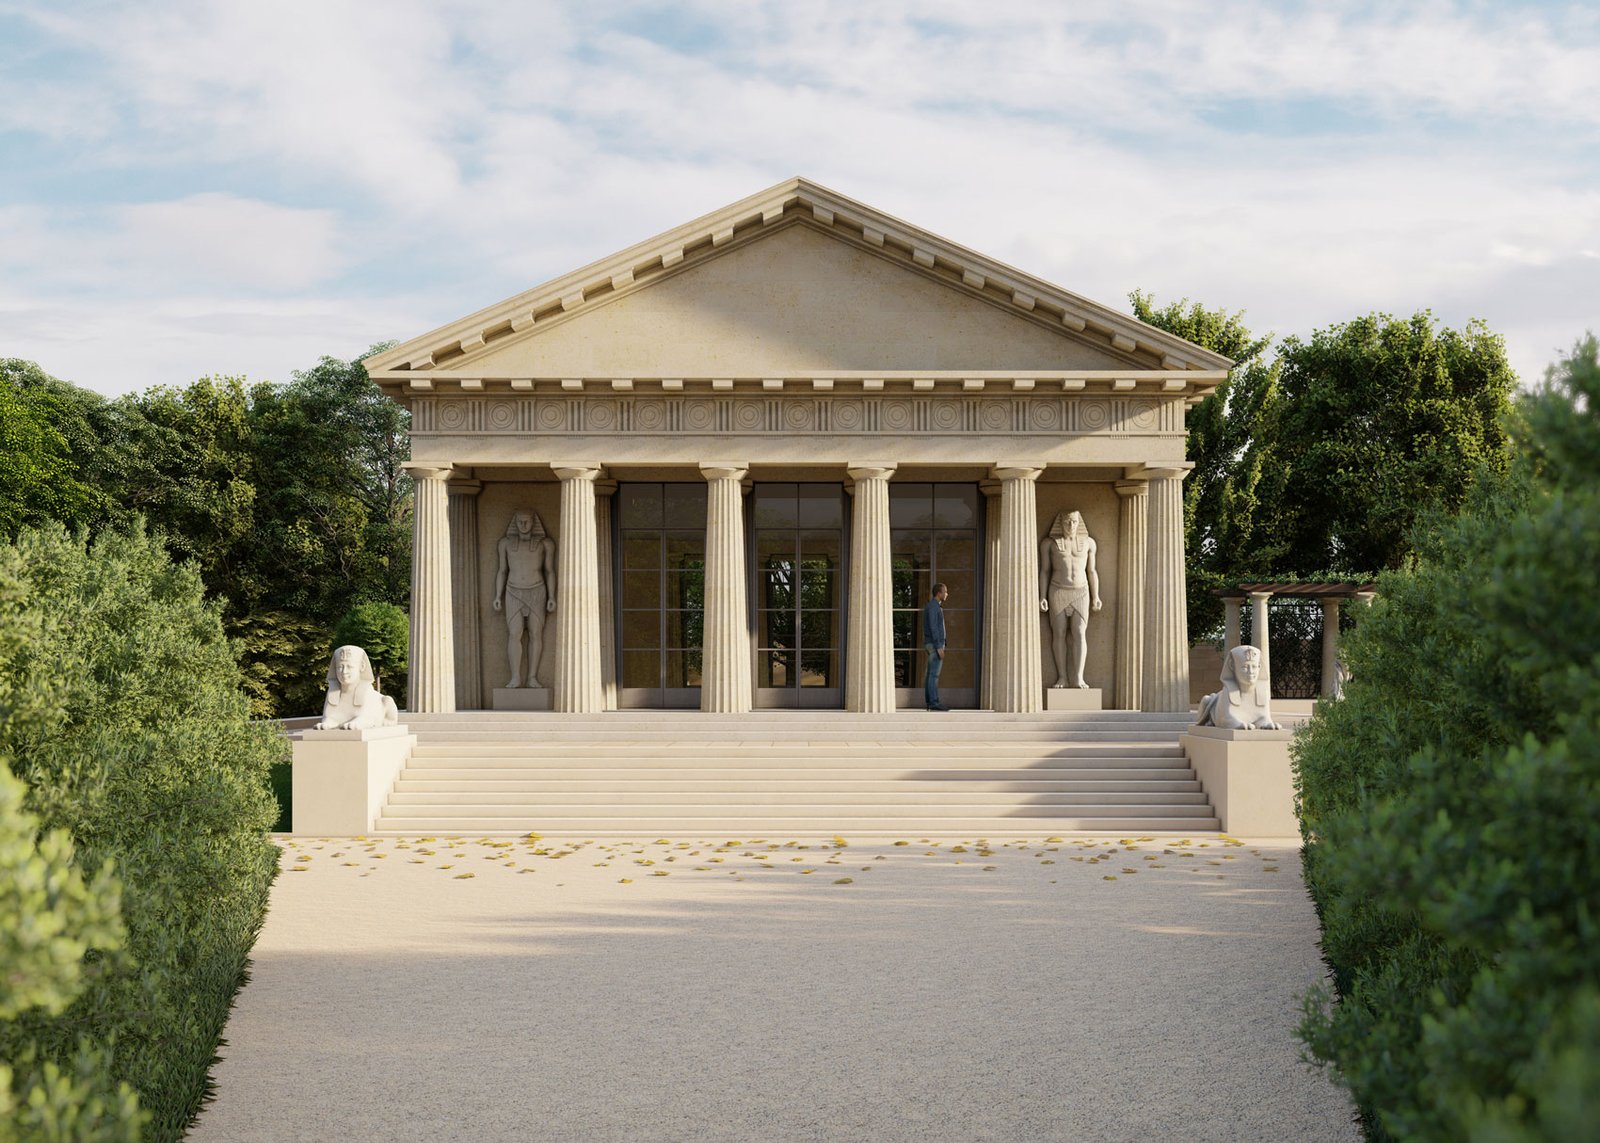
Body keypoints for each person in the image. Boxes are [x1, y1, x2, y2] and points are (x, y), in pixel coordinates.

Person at [493, 509, 558, 688]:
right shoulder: (505, 544)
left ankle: (532, 677)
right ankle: (515, 677)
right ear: (515, 523)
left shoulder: (545, 544)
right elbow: (502, 571)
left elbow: (549, 571)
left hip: (537, 590)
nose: (523, 524)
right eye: (520, 521)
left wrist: (552, 596)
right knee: (514, 633)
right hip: (513, 591)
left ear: (533, 522)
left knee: (536, 633)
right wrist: (498, 595)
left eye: (527, 521)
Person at [1038, 510, 1102, 689]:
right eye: (1067, 522)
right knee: (1058, 633)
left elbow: (1092, 571)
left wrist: (1096, 596)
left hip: (1081, 591)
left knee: (1079, 633)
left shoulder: (1089, 543)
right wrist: (1042, 596)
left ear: (1078, 523)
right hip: (1058, 589)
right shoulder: (1049, 544)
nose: (1070, 525)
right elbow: (1045, 571)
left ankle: (1079, 677)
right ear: (1060, 523)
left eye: (1074, 521)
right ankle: (1062, 677)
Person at [1195, 644, 1282, 730]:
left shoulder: (1262, 692)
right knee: (1206, 700)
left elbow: (1263, 717)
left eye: (1254, 666)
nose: (1250, 671)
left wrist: (1266, 723)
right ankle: (1210, 719)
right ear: (1232, 666)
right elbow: (1226, 719)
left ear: (1259, 666)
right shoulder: (1227, 692)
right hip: (1215, 709)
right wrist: (1237, 724)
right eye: (1245, 667)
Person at [315, 645, 399, 730]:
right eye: (340, 667)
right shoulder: (333, 692)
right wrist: (327, 722)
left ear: (362, 666)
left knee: (387, 700)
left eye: (349, 667)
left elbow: (366, 717)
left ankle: (389, 720)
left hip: (372, 719)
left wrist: (358, 723)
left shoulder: (367, 693)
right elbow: (329, 717)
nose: (344, 672)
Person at [922, 582, 950, 711]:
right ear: (939, 593)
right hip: (934, 645)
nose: (947, 594)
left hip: (932, 644)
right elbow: (933, 627)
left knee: (930, 674)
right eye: (945, 592)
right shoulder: (933, 607)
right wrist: (939, 646)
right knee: (934, 675)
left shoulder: (933, 606)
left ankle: (930, 702)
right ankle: (933, 703)